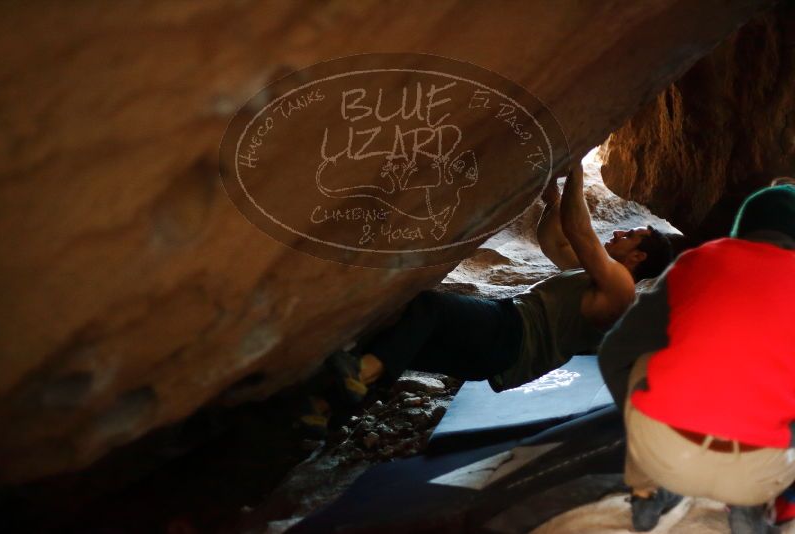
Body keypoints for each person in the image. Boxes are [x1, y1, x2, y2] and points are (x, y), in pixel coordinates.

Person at [333, 159, 675, 398]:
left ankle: (358, 376)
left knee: (429, 306)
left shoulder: (620, 287)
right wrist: (554, 198)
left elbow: (579, 231)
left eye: (629, 234)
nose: (618, 231)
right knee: (398, 346)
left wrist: (575, 170)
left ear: (638, 257)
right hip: (501, 355)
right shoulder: (594, 277)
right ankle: (322, 410)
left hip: (512, 334)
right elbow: (553, 241)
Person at [598, 183, 795, 533]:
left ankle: (648, 492)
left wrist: (640, 414)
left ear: (742, 229)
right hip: (759, 472)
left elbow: (614, 351)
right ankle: (754, 506)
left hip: (663, 454)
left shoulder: (696, 260)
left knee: (646, 360)